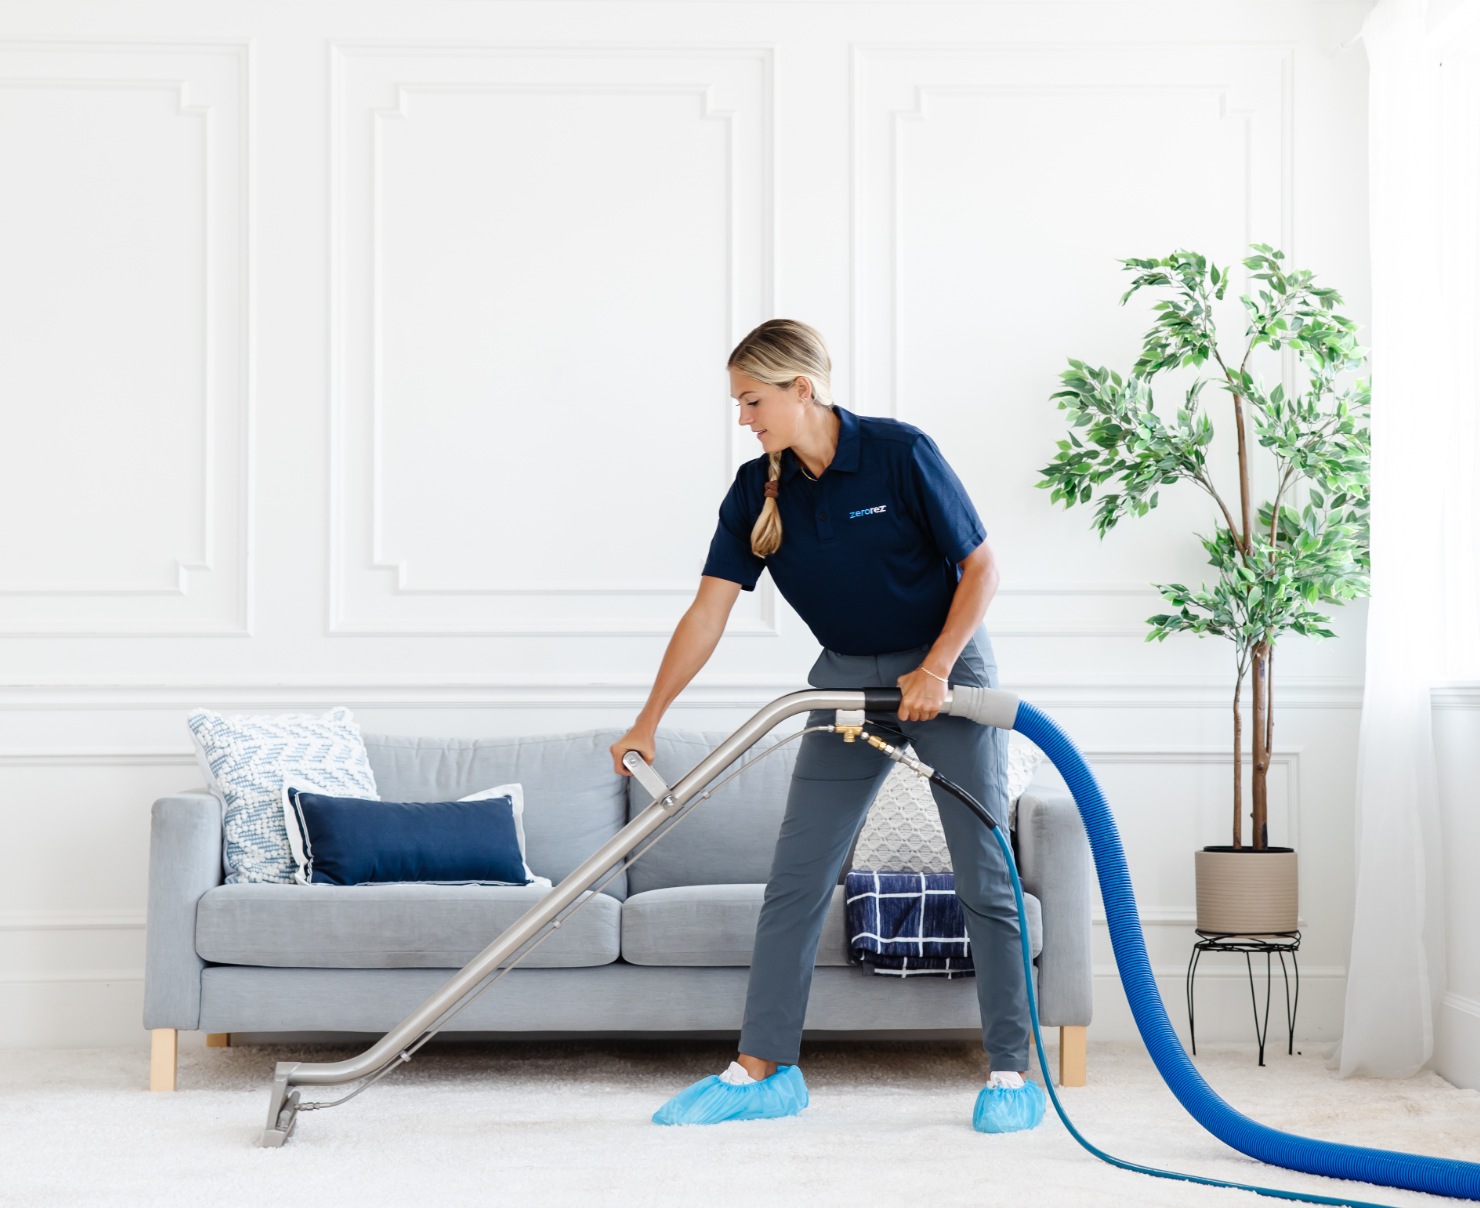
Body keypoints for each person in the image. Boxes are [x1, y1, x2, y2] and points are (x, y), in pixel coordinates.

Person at [610, 319, 1044, 1132]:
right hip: (844, 679)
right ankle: (763, 1069)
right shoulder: (755, 490)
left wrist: (938, 667)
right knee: (797, 877)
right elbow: (708, 612)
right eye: (739, 403)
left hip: (943, 673)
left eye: (752, 400)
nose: (744, 418)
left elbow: (981, 568)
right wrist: (648, 719)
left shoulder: (899, 452)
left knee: (983, 876)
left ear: (801, 388)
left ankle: (1012, 1073)